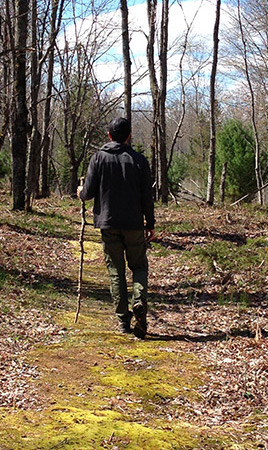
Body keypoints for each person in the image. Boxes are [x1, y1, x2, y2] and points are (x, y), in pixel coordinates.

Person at [77, 117, 155, 338]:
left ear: (109, 135)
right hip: (134, 225)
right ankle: (139, 302)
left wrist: (80, 192)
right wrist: (150, 224)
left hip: (108, 223)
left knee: (116, 271)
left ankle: (123, 320)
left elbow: (88, 193)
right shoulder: (139, 160)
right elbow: (147, 197)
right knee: (139, 267)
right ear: (129, 136)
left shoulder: (98, 158)